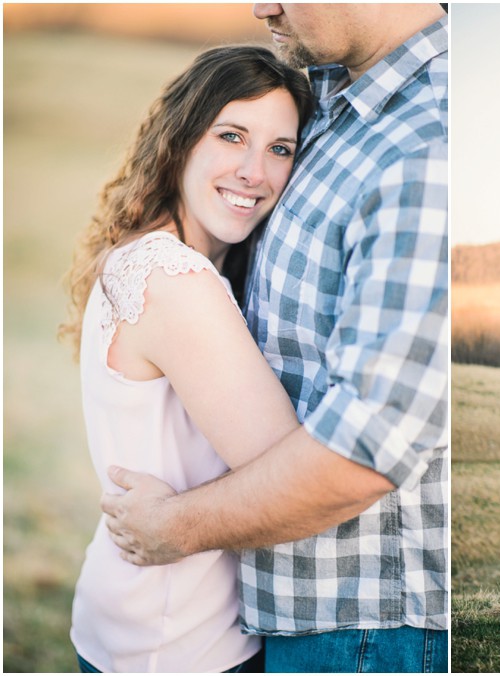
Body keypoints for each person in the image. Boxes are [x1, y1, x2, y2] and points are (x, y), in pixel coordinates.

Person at [100, 4, 449, 673]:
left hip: (368, 629)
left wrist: (172, 526)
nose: (262, 5)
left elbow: (366, 449)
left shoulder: (426, 146)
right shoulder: (332, 95)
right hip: (276, 615)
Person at [60, 45, 312, 672]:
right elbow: (291, 479)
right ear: (180, 139)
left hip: (140, 618)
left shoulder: (149, 253)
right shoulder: (173, 276)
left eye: (280, 149)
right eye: (232, 136)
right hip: (179, 643)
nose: (255, 171)